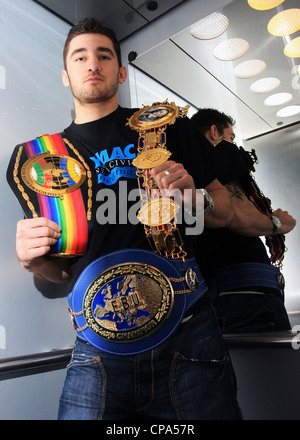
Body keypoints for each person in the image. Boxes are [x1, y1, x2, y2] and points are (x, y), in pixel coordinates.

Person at [8, 18, 242, 420]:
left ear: (121, 71)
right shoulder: (43, 160)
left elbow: (227, 210)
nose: (92, 64)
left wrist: (195, 199)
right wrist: (34, 262)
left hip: (189, 330)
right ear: (66, 75)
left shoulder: (167, 126)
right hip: (98, 344)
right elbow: (60, 276)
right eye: (80, 57)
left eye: (104, 54)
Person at [190, 108, 296, 334]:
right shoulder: (221, 149)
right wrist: (278, 224)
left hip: (213, 294)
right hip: (249, 291)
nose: (232, 142)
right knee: (277, 370)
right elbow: (237, 215)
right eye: (231, 136)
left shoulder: (187, 166)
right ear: (214, 132)